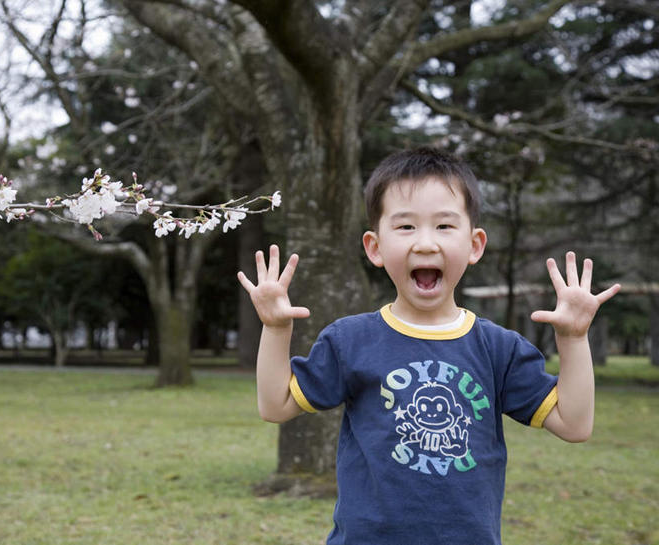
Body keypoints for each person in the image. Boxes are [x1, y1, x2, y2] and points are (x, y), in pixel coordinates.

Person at [236, 147, 621, 545]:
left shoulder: (498, 348)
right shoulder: (350, 340)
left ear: (475, 245)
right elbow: (275, 405)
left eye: (443, 226)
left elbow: (574, 425)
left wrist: (574, 340)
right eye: (405, 227)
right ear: (375, 247)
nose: (424, 243)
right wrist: (276, 328)